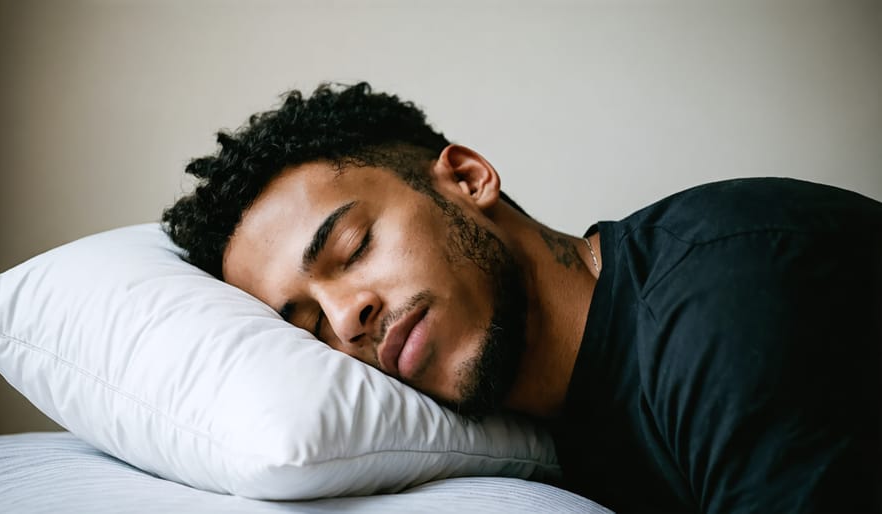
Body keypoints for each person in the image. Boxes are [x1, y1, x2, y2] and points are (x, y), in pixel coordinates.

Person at [162, 82, 882, 513]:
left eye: (353, 249)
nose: (348, 317)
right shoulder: (563, 428)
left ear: (470, 178)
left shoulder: (720, 306)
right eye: (311, 324)